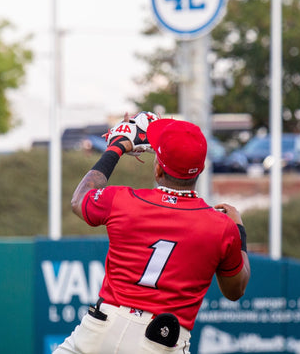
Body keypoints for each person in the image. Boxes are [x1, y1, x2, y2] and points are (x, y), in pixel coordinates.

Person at [53, 113, 251, 354]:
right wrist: (239, 231)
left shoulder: (123, 200)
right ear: (201, 170)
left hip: (100, 329)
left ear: (157, 170)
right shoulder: (221, 226)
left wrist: (117, 147)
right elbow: (235, 290)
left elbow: (79, 199)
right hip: (160, 342)